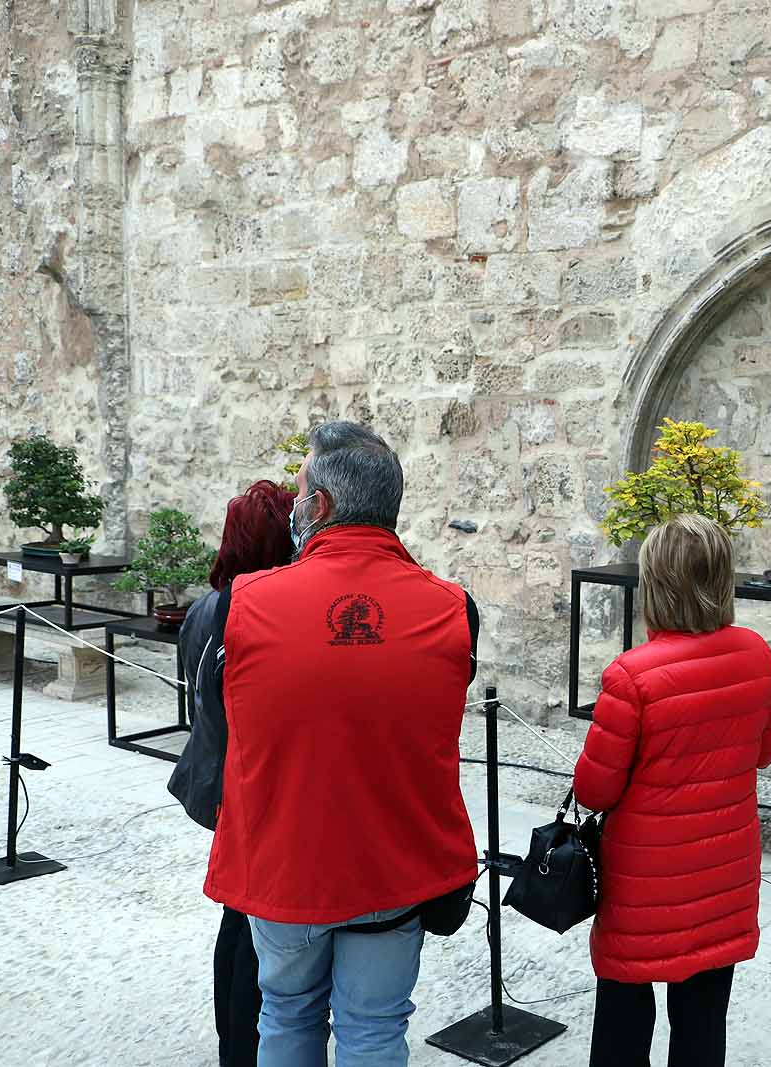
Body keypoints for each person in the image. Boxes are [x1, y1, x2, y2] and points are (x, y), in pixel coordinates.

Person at [195, 421, 480, 1067]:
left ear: (317, 507)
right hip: (394, 866)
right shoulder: (453, 608)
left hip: (286, 861)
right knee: (376, 1028)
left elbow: (219, 722)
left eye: (299, 492)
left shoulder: (242, 604)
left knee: (288, 1016)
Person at [573, 513, 771, 1067]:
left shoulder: (632, 676)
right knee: (703, 1030)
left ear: (656, 586)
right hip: (724, 873)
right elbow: (764, 751)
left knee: (622, 1026)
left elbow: (594, 789)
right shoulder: (756, 654)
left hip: (645, 884)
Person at [169, 478, 296, 1067]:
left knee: (239, 918)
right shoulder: (260, 613)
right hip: (249, 786)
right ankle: (246, 1048)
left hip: (216, 776)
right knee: (252, 927)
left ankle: (238, 1043)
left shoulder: (204, 607)